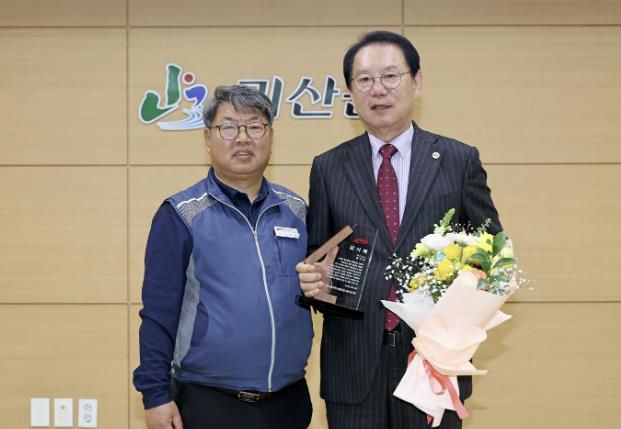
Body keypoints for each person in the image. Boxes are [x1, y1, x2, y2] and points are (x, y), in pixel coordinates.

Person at [296, 31, 502, 429]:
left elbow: (493, 254)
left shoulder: (458, 160)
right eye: (365, 80)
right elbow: (319, 258)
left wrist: (455, 315)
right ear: (351, 92)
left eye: (391, 76)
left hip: (433, 363)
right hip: (354, 367)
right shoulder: (328, 167)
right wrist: (316, 284)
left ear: (416, 82)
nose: (379, 90)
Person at [133, 85, 313, 429]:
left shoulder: (297, 211)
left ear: (271, 136)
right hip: (208, 400)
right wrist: (155, 396)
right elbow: (158, 313)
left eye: (255, 127)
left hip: (288, 401)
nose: (242, 138)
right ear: (207, 137)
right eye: (228, 127)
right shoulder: (180, 214)